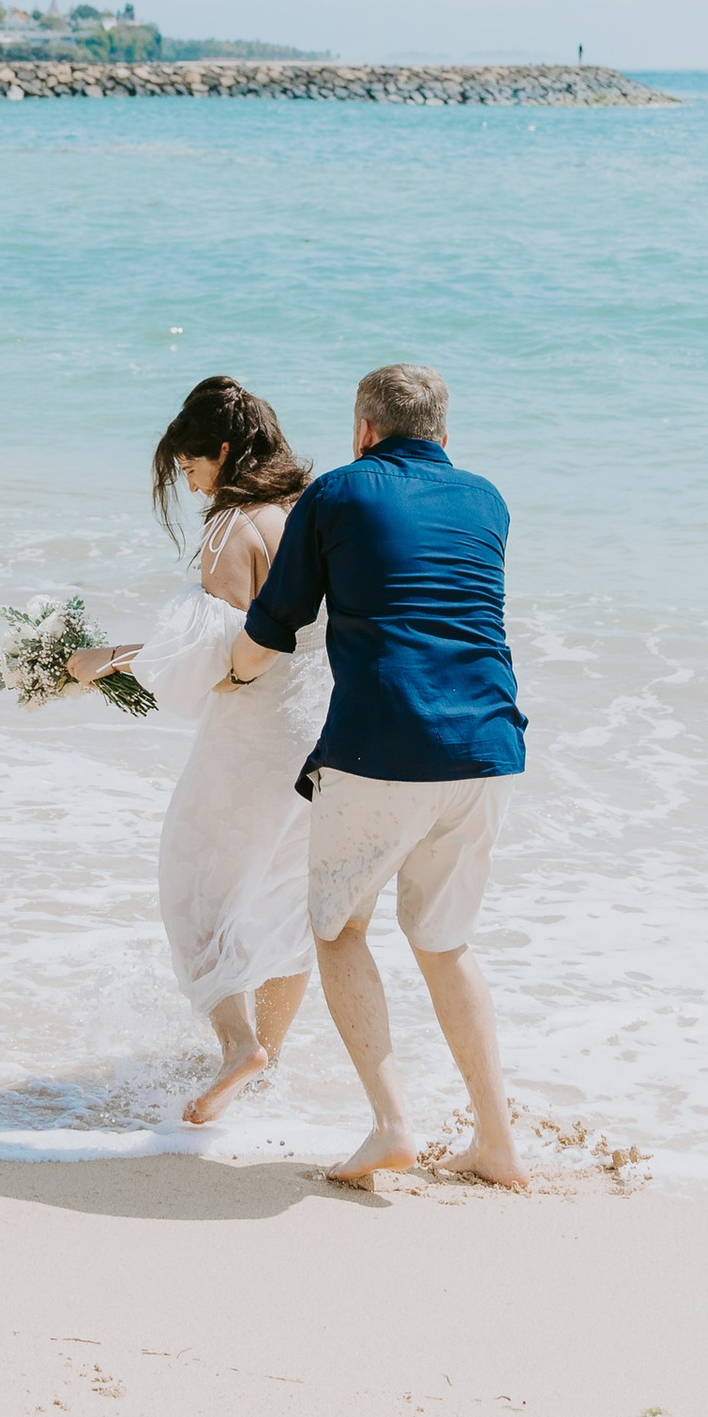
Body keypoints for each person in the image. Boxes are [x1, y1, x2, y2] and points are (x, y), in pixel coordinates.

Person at [228, 361, 527, 1191]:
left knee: (339, 928)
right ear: (443, 432)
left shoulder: (337, 491)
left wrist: (229, 673)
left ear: (364, 429)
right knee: (445, 943)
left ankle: (393, 1125)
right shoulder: (489, 500)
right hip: (488, 746)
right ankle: (497, 1143)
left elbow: (277, 623)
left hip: (384, 746)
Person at [65, 375, 328, 1125]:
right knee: (288, 897)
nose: (188, 484)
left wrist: (102, 660)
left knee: (193, 886)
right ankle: (267, 1065)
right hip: (327, 729)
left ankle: (240, 1047)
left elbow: (212, 663)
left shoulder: (234, 526)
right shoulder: (313, 511)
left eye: (189, 467)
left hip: (258, 734)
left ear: (223, 450)